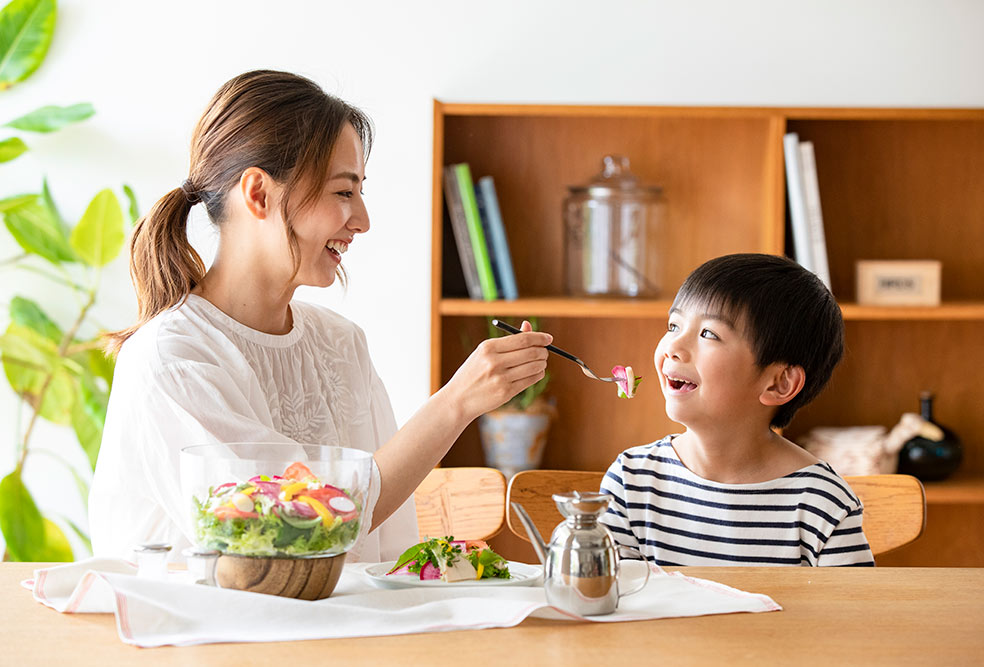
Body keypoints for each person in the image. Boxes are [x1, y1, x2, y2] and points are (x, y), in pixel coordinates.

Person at [89, 70, 551, 563]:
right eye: (343, 192)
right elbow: (288, 533)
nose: (363, 221)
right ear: (259, 194)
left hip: (343, 633)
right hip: (216, 637)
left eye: (360, 191)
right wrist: (456, 403)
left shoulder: (341, 343)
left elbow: (386, 549)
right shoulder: (172, 359)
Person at [599, 253, 874, 566]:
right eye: (674, 325)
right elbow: (614, 604)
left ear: (778, 384)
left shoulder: (822, 503)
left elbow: (849, 614)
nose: (673, 348)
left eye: (709, 334)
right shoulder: (632, 480)